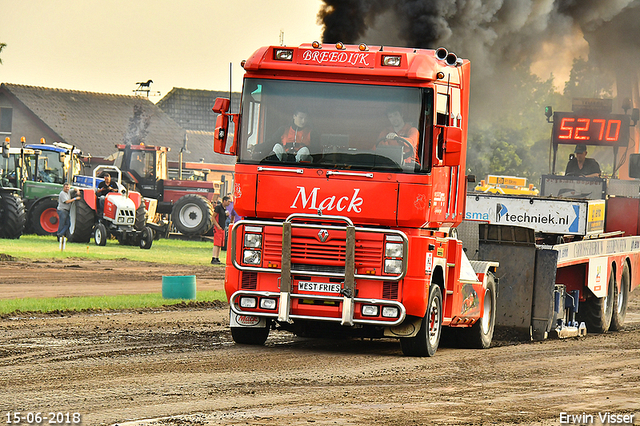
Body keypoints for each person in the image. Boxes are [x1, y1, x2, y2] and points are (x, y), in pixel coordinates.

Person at [211, 196, 231, 264]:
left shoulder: (225, 209)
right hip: (218, 228)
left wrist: (227, 215)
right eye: (228, 201)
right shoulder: (218, 207)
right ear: (224, 201)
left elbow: (223, 218)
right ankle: (213, 258)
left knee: (220, 244)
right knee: (216, 244)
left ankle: (217, 258)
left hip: (222, 228)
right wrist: (217, 226)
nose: (229, 203)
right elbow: (213, 217)